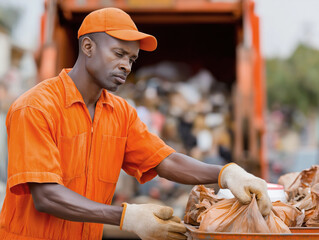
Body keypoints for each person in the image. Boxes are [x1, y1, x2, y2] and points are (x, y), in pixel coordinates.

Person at [0, 7, 272, 240]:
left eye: (131, 59)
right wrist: (126, 217)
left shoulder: (119, 113)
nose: (126, 66)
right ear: (87, 47)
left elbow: (165, 160)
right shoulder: (36, 107)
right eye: (118, 53)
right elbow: (46, 196)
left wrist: (227, 173)